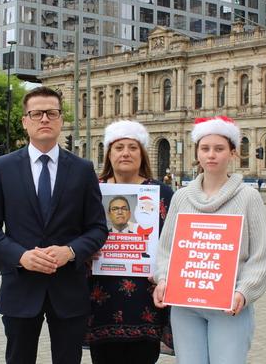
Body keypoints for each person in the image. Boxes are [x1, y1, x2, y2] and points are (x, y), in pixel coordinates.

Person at [0, 86, 108, 364]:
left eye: (51, 113)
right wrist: (20, 256)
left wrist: (71, 251)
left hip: (69, 289)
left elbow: (98, 228)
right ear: (25, 121)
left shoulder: (83, 169)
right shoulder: (3, 167)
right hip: (21, 288)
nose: (45, 119)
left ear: (61, 119)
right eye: (37, 114)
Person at [153, 116, 266, 363]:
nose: (211, 155)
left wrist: (244, 292)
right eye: (205, 148)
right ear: (197, 152)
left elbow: (260, 257)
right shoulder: (182, 197)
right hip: (185, 305)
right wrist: (163, 279)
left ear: (232, 153)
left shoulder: (249, 198)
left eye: (219, 149)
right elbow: (166, 249)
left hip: (229, 304)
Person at [86, 120, 173, 364]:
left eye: (133, 147)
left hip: (145, 296)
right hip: (100, 294)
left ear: (142, 154)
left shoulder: (162, 192)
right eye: (119, 147)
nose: (126, 153)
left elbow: (175, 238)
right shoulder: (93, 189)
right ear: (108, 154)